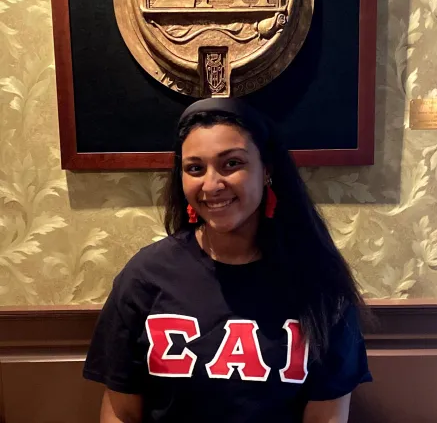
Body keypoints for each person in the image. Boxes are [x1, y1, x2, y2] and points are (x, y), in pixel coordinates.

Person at [83, 97, 372, 423]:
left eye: (231, 163)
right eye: (195, 168)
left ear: (267, 170)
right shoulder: (144, 277)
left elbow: (326, 418)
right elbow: (121, 413)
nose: (211, 184)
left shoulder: (321, 283)